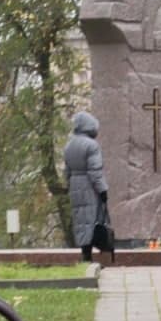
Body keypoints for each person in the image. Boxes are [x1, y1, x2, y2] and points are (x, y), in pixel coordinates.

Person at [64, 111, 108, 263]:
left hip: (75, 185)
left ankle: (85, 253)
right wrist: (102, 190)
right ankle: (89, 255)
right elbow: (95, 171)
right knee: (91, 219)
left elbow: (67, 170)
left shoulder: (69, 145)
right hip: (88, 185)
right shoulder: (92, 145)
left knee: (81, 220)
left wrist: (69, 185)